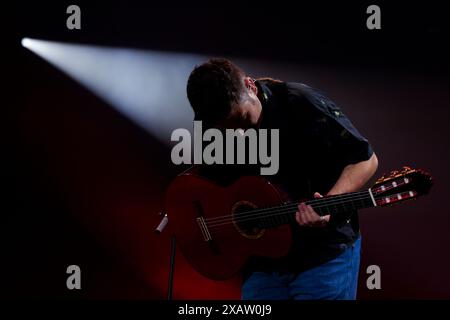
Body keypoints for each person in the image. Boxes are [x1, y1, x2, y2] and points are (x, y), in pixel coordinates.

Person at [185, 58, 378, 300]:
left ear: (250, 86)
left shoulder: (300, 102)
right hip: (264, 264)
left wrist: (328, 203)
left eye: (242, 119)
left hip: (322, 257)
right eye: (227, 127)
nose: (239, 133)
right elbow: (211, 187)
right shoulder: (213, 124)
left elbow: (365, 160)